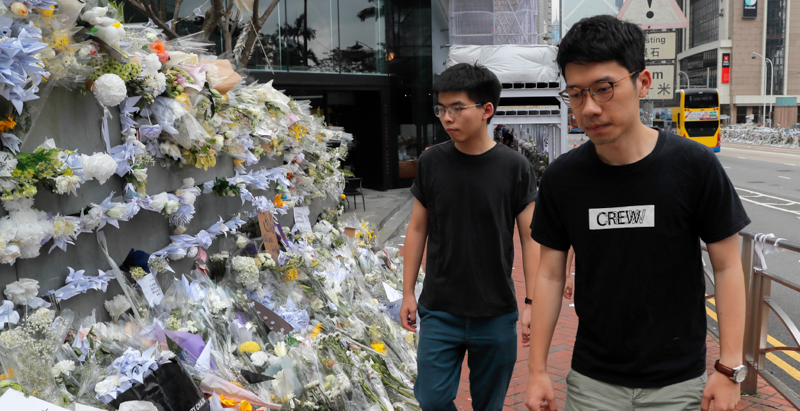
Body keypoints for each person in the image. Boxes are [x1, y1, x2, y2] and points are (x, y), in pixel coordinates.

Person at [524, 15, 750, 411]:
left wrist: (730, 366)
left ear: (642, 82)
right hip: (592, 382)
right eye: (575, 94)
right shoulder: (563, 178)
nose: (589, 108)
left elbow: (729, 266)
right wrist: (538, 369)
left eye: (604, 89)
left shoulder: (694, 166)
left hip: (679, 382)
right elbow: (549, 273)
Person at [400, 62, 540, 411]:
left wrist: (532, 303)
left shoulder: (514, 167)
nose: (447, 117)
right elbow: (418, 228)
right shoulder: (431, 162)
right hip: (439, 308)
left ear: (486, 110)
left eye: (457, 108)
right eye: (441, 109)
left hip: (495, 312)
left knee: (488, 405)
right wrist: (407, 292)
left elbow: (531, 238)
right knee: (431, 399)